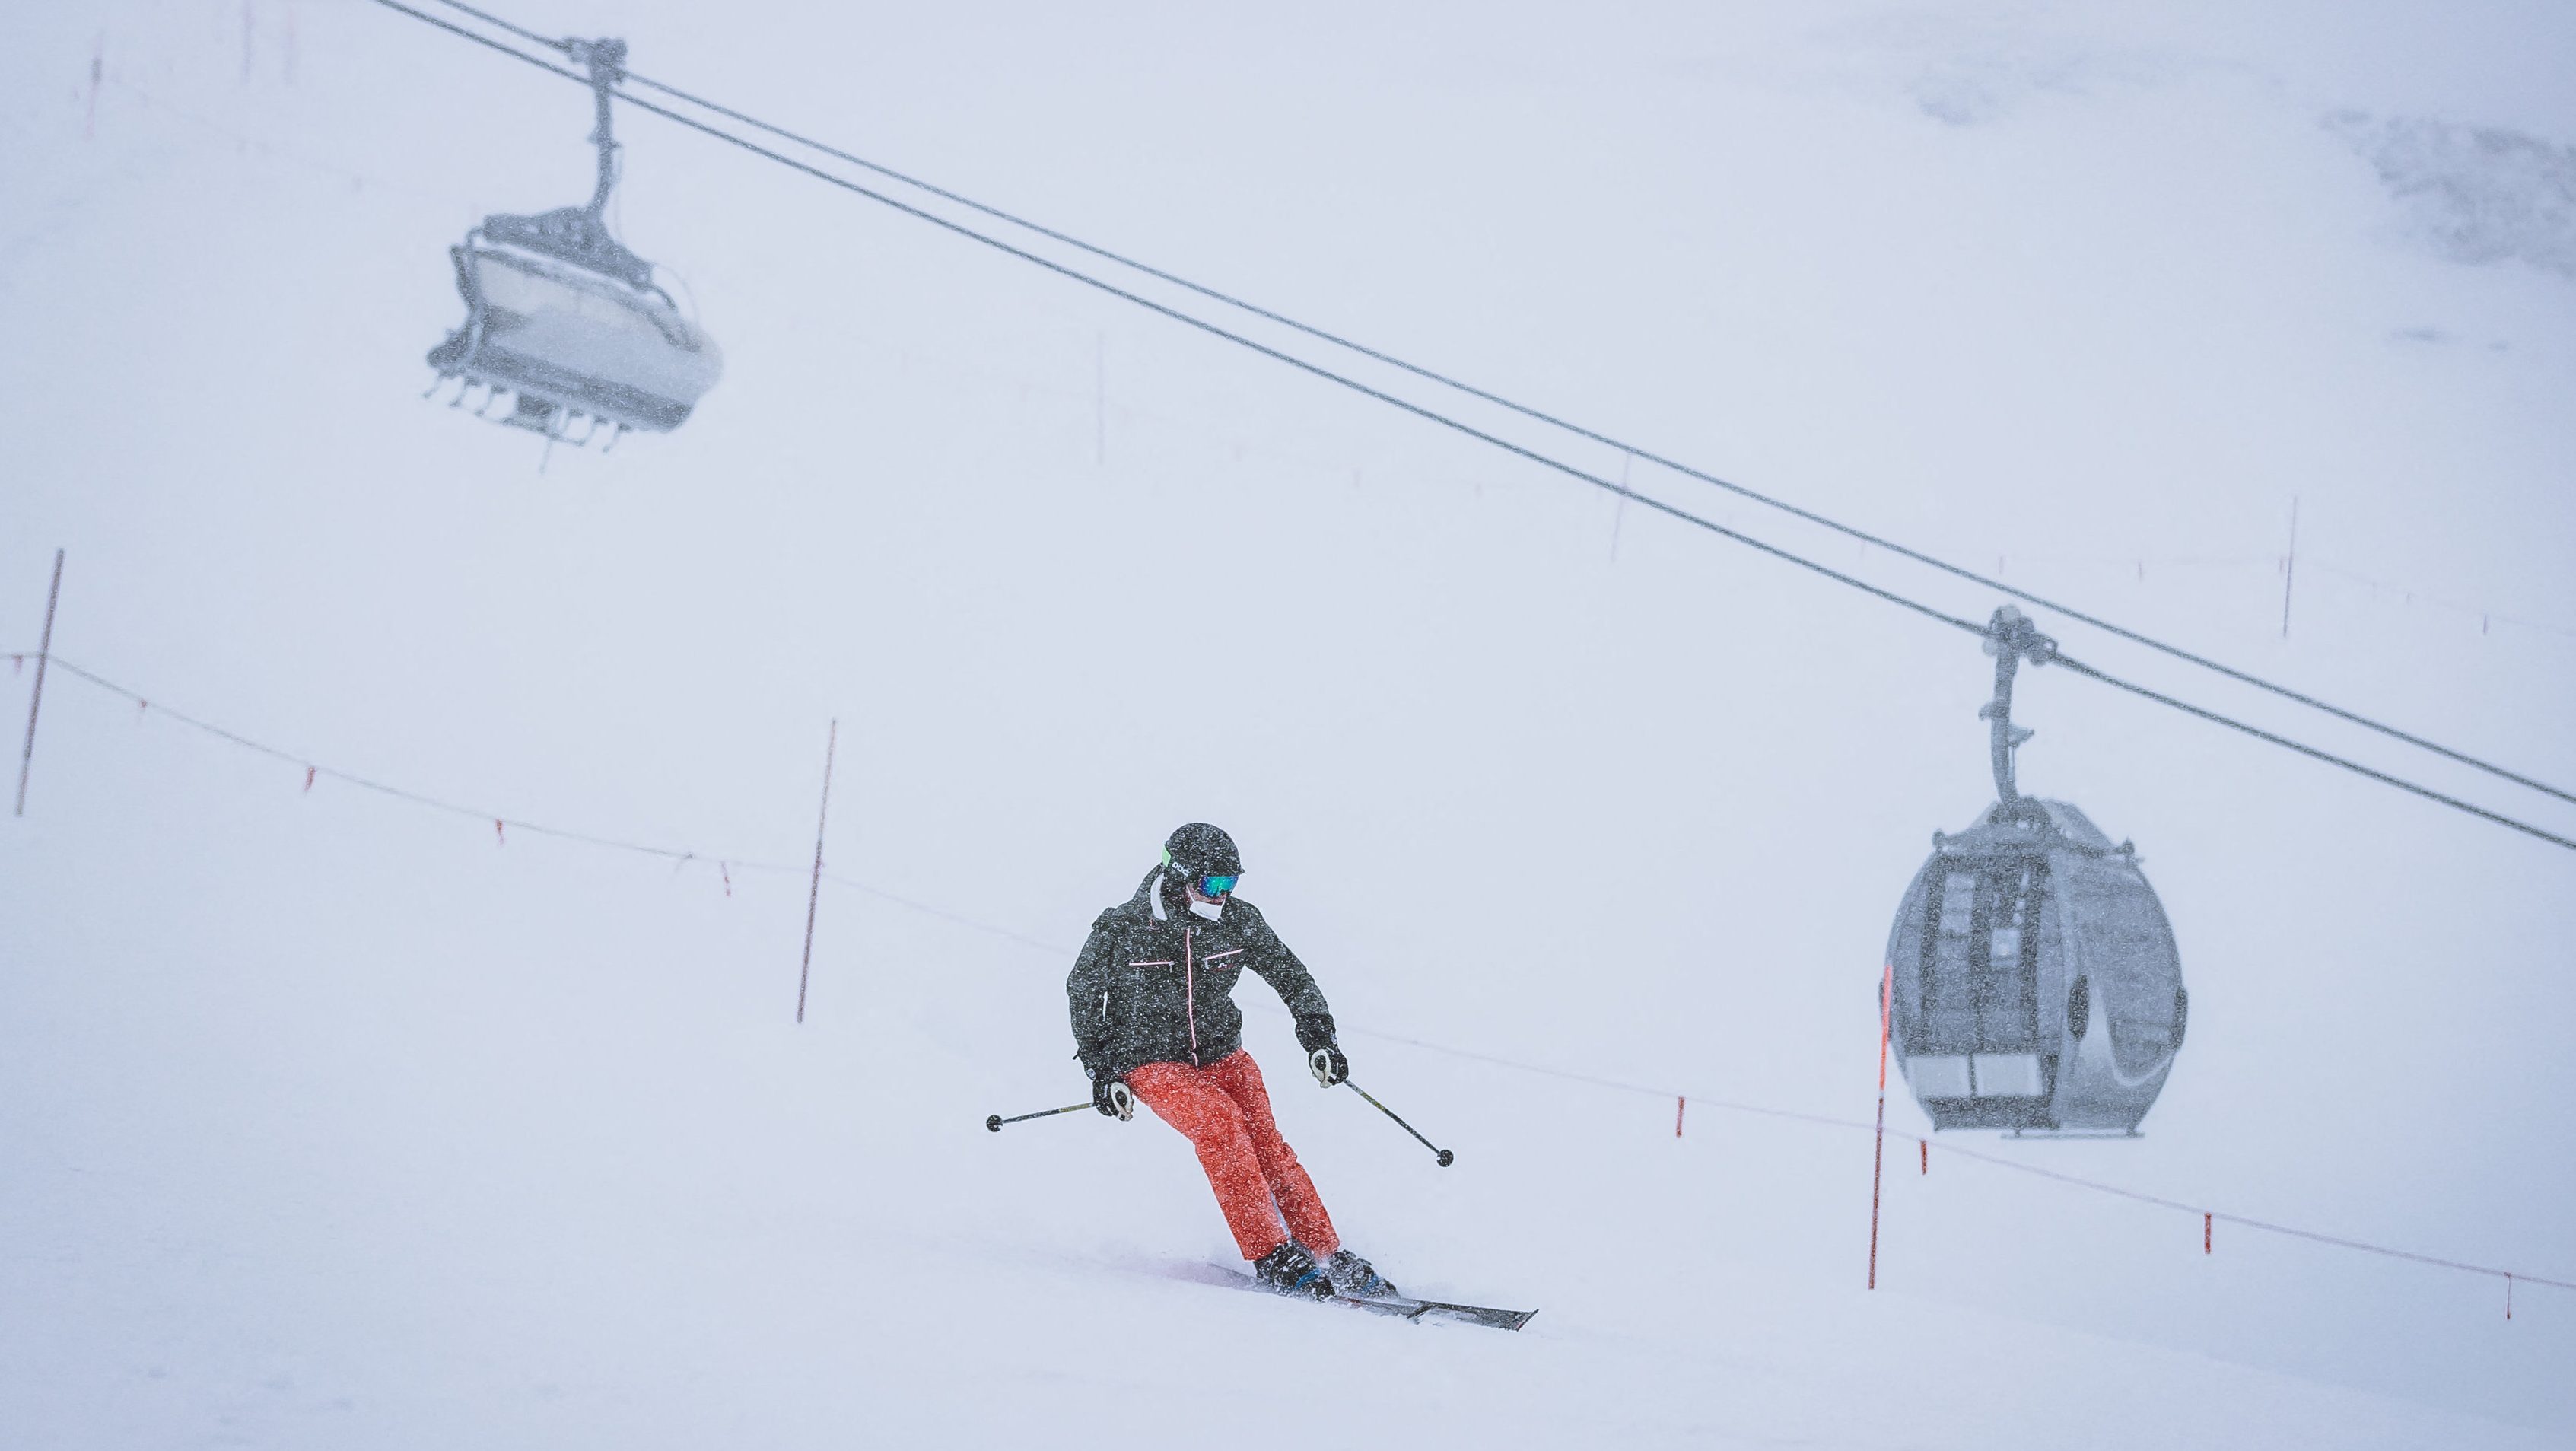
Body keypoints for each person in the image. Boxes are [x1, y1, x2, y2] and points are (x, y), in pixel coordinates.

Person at [1067, 823, 1395, 1300]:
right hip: (1152, 1060)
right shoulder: (1123, 927)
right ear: (1178, 875)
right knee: (1221, 1126)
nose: (1221, 896)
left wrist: (1319, 1038)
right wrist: (1102, 1072)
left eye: (1230, 884)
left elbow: (1291, 975)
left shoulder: (1238, 920)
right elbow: (1082, 990)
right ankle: (1271, 1252)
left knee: (1265, 1142)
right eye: (1212, 884)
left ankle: (1324, 1251)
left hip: (1224, 1055)